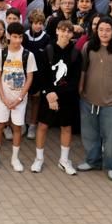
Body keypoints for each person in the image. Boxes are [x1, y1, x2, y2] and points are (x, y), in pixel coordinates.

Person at [77, 19, 112, 180]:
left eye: (108, 30)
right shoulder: (89, 47)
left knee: (111, 137)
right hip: (88, 100)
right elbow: (83, 71)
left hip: (111, 103)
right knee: (89, 134)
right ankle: (93, 161)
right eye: (101, 29)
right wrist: (81, 90)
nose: (104, 33)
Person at [33, 17, 81, 175]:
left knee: (66, 127)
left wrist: (56, 96)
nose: (65, 34)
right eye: (62, 30)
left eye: (69, 31)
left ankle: (64, 160)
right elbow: (42, 76)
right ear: (57, 31)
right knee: (42, 126)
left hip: (66, 98)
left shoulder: (75, 53)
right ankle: (39, 159)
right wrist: (49, 94)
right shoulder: (48, 50)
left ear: (72, 34)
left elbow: (74, 80)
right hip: (48, 96)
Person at [0, 24, 37, 171]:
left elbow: (29, 77)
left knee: (17, 127)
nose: (18, 40)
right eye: (15, 37)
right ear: (9, 36)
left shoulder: (28, 55)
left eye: (20, 37)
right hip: (3, 97)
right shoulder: (1, 53)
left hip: (20, 99)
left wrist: (19, 98)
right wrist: (3, 97)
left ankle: (15, 158)